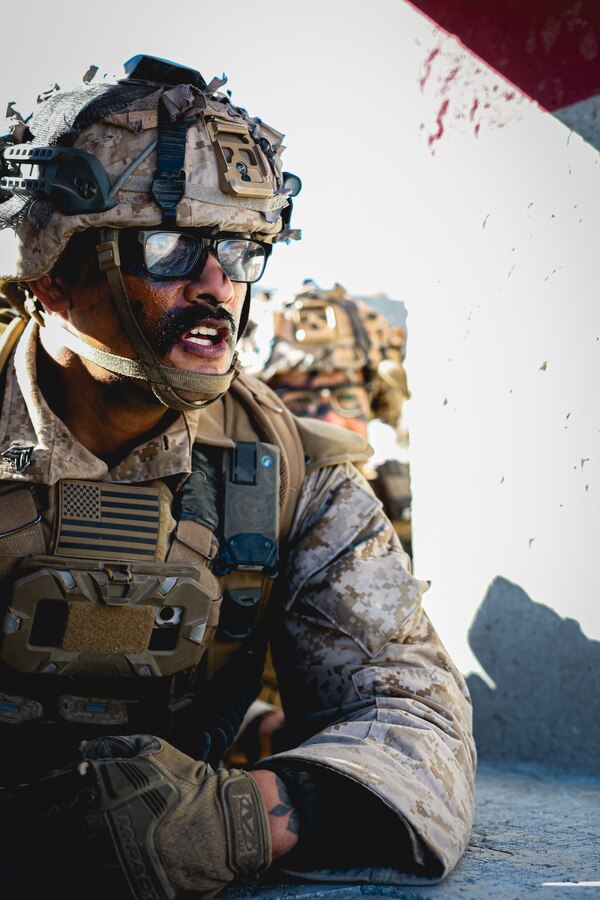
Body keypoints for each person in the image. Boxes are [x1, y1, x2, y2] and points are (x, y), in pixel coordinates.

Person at [0, 54, 476, 900]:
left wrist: (244, 817)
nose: (217, 286)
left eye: (238, 248)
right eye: (169, 245)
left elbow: (417, 718)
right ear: (51, 274)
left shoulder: (292, 473)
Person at [240, 279, 413, 558]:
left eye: (345, 399)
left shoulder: (403, 497)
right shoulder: (223, 506)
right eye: (299, 402)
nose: (328, 420)